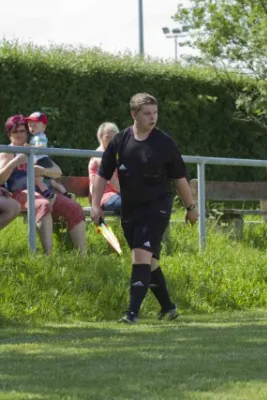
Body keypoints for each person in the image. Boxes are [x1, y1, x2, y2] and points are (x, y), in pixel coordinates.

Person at [91, 93, 199, 324]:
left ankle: (131, 313)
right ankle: (168, 308)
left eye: (155, 113)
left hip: (157, 207)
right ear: (134, 115)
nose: (153, 117)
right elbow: (102, 175)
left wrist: (191, 207)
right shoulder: (120, 141)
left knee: (140, 256)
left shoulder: (165, 143)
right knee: (149, 263)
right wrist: (95, 206)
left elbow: (180, 178)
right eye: (147, 113)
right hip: (130, 210)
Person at [0, 115, 87, 254]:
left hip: (46, 190)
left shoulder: (34, 149)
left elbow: (57, 172)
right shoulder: (8, 152)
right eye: (15, 131)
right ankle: (49, 256)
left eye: (22, 131)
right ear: (9, 134)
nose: (19, 135)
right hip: (22, 193)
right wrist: (12, 164)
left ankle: (83, 256)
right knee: (43, 205)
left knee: (74, 208)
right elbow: (0, 179)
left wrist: (42, 170)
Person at [26, 111, 74, 201]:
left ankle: (47, 193)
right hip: (43, 160)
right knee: (52, 181)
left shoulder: (40, 137)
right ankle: (65, 193)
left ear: (44, 127)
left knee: (37, 179)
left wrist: (30, 147)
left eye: (35, 125)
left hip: (41, 161)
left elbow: (40, 147)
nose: (31, 127)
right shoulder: (36, 136)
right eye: (30, 125)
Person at [88, 122, 121, 214]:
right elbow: (111, 179)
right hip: (103, 196)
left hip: (116, 194)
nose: (112, 140)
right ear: (101, 137)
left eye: (114, 137)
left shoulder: (115, 154)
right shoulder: (99, 155)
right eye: (108, 137)